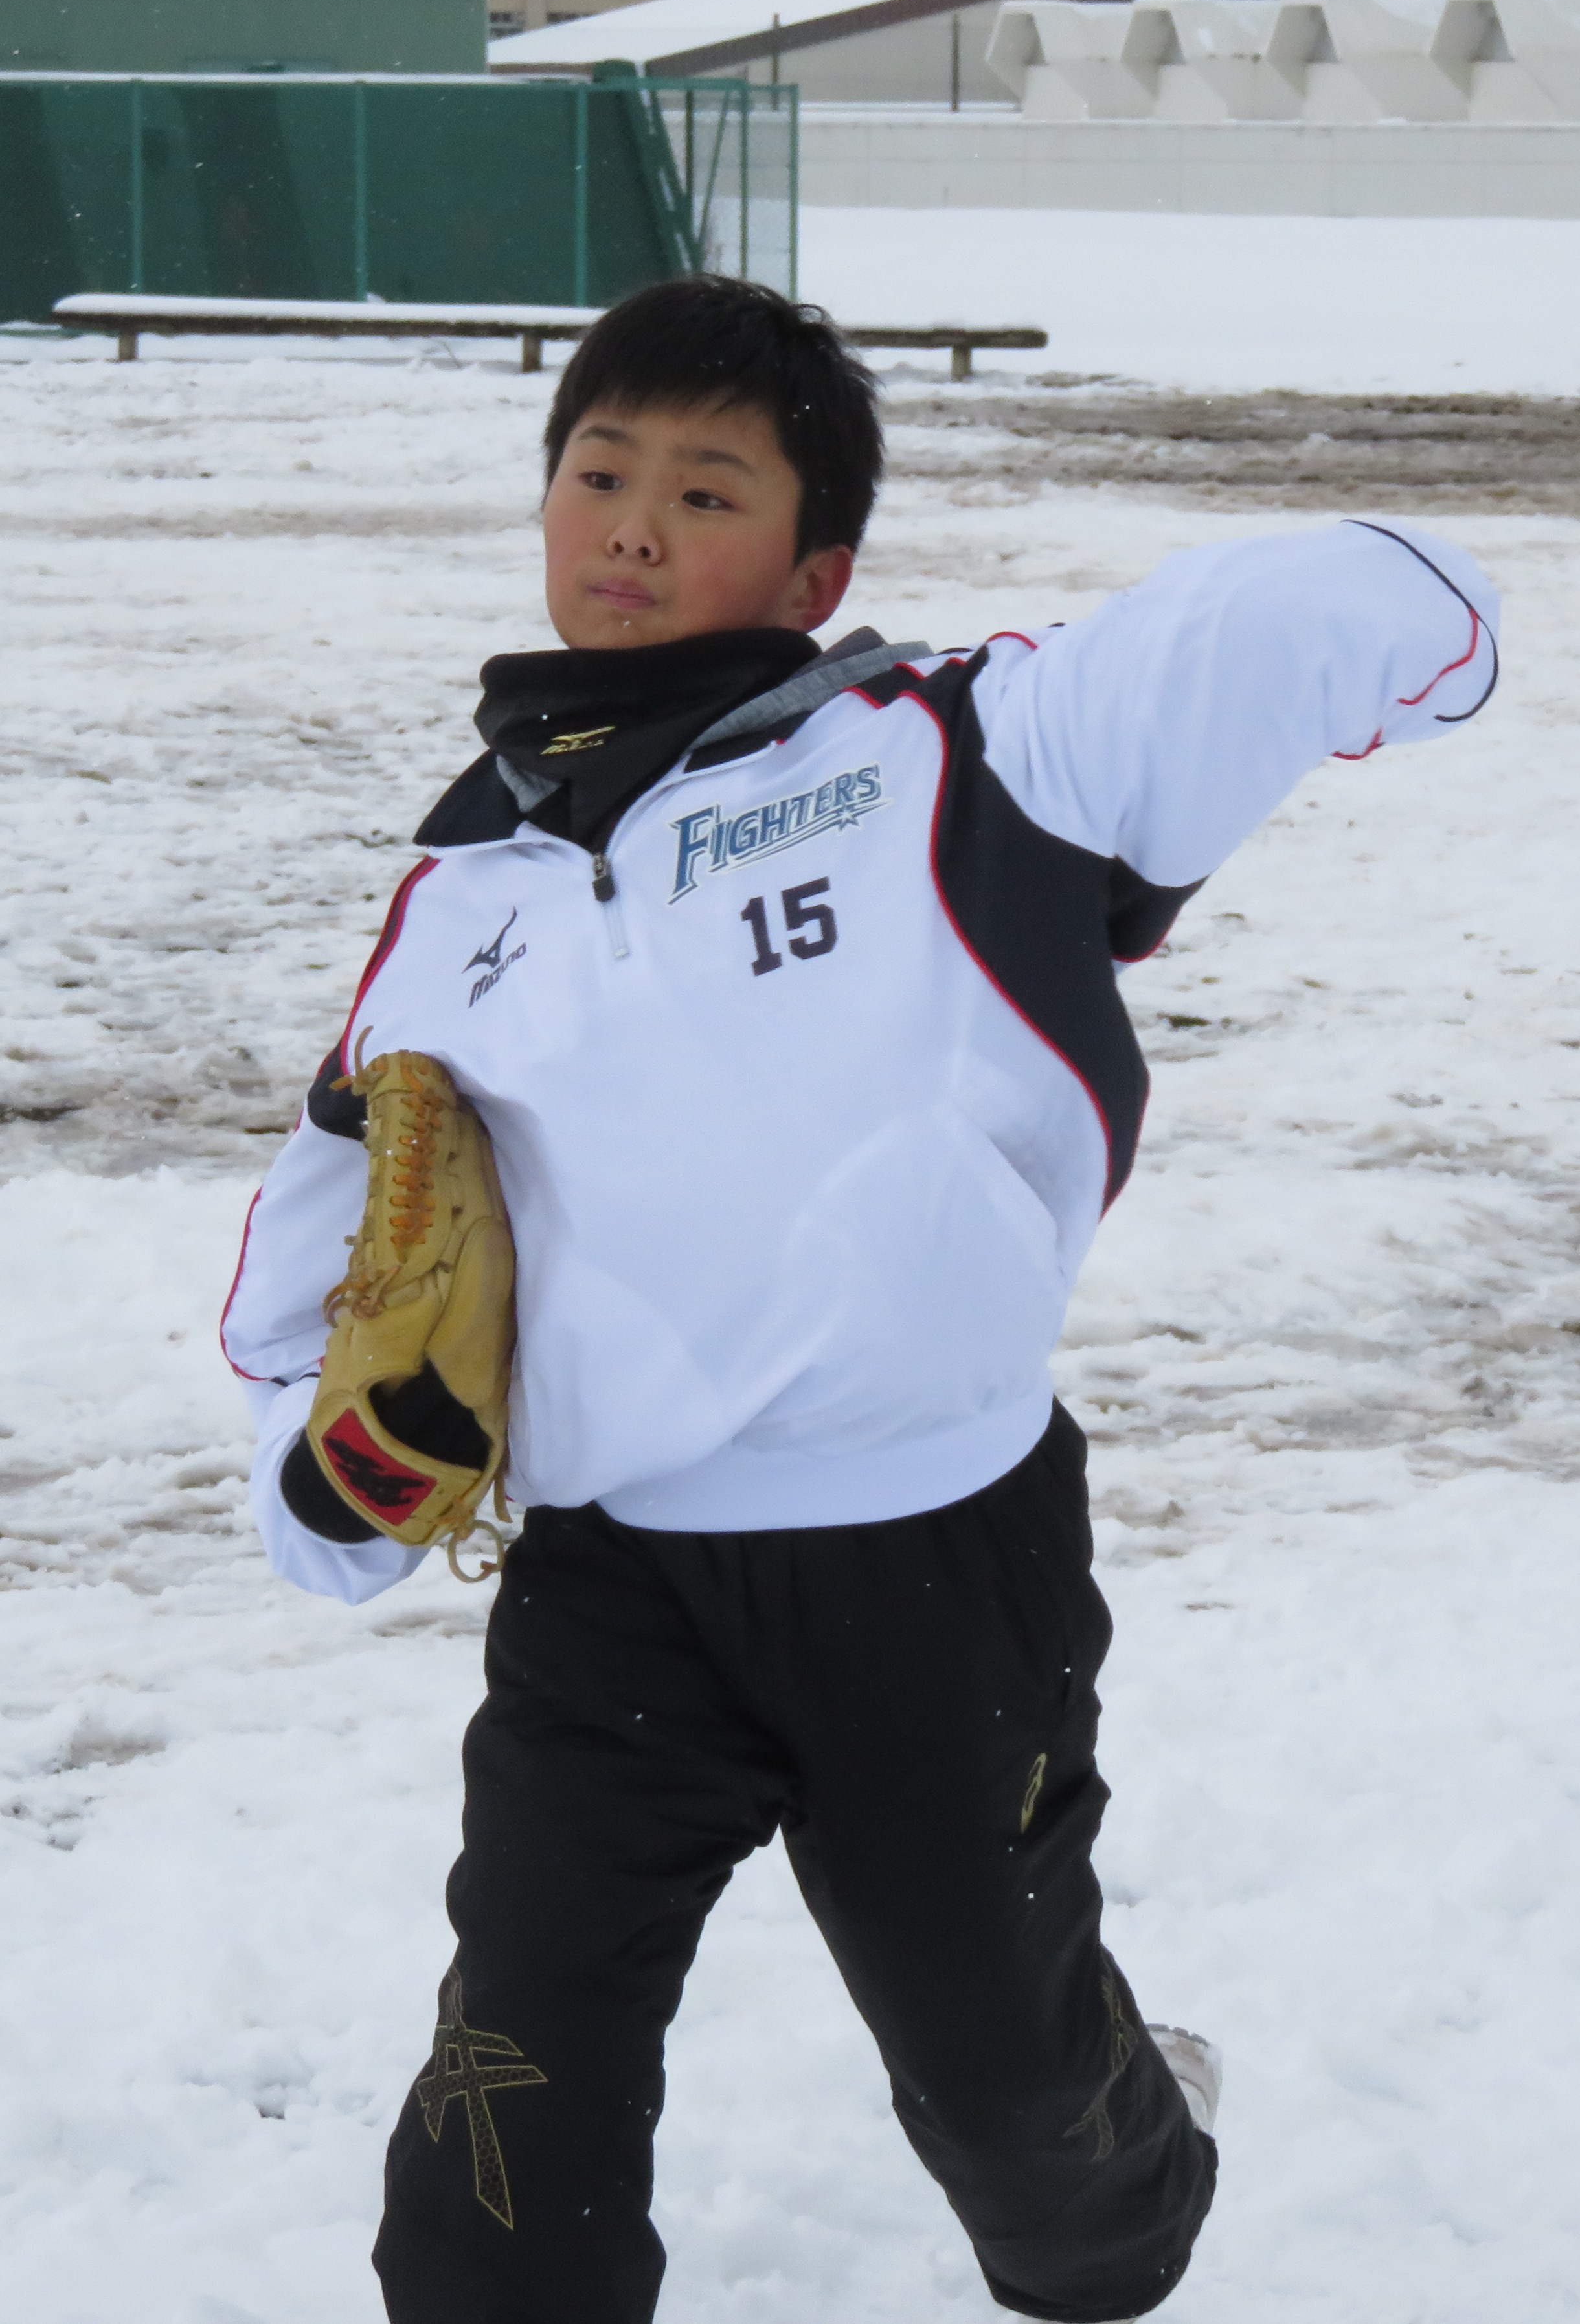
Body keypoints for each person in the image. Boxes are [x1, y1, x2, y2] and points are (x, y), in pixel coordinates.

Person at [221, 275, 1500, 2324]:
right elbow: (331, 1217)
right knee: (506, 2108)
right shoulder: (470, 890)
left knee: (1030, 2131)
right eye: (600, 470)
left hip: (934, 1571)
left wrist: (1424, 628)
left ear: (815, 564)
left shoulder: (953, 758)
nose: (630, 522)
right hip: (615, 1587)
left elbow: (1250, 631)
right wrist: (315, 1475)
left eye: (704, 486)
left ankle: (1126, 2144)